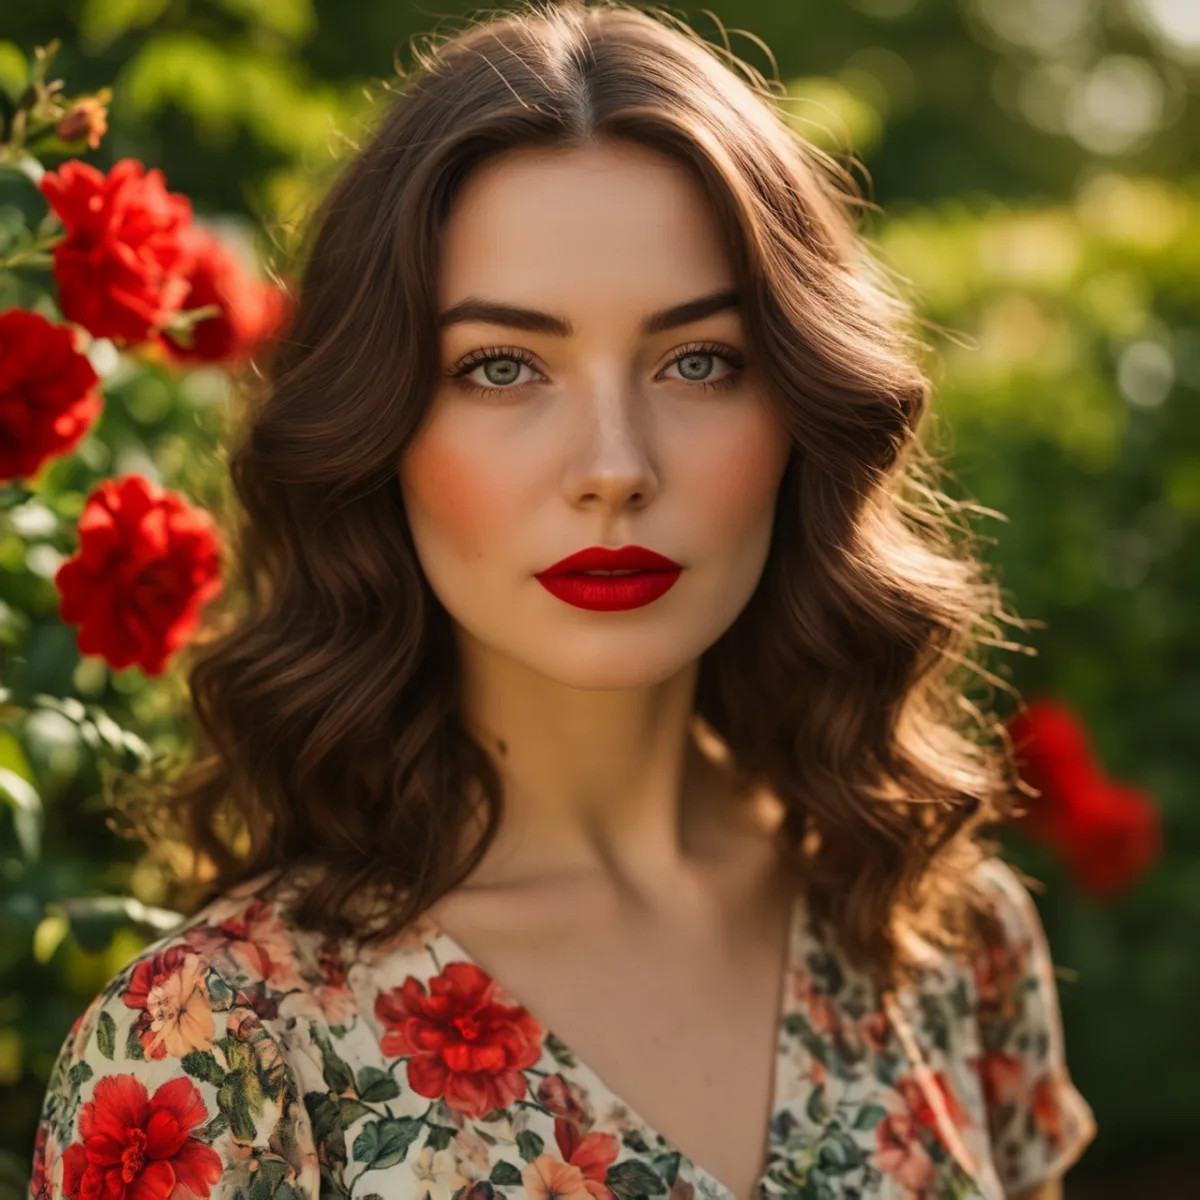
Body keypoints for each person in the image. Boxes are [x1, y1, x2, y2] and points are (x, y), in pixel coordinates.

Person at [28, 2, 1098, 1198]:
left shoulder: (940, 932)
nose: (614, 465)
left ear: (803, 409)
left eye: (699, 361)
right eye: (502, 367)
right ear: (377, 430)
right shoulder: (209, 1048)